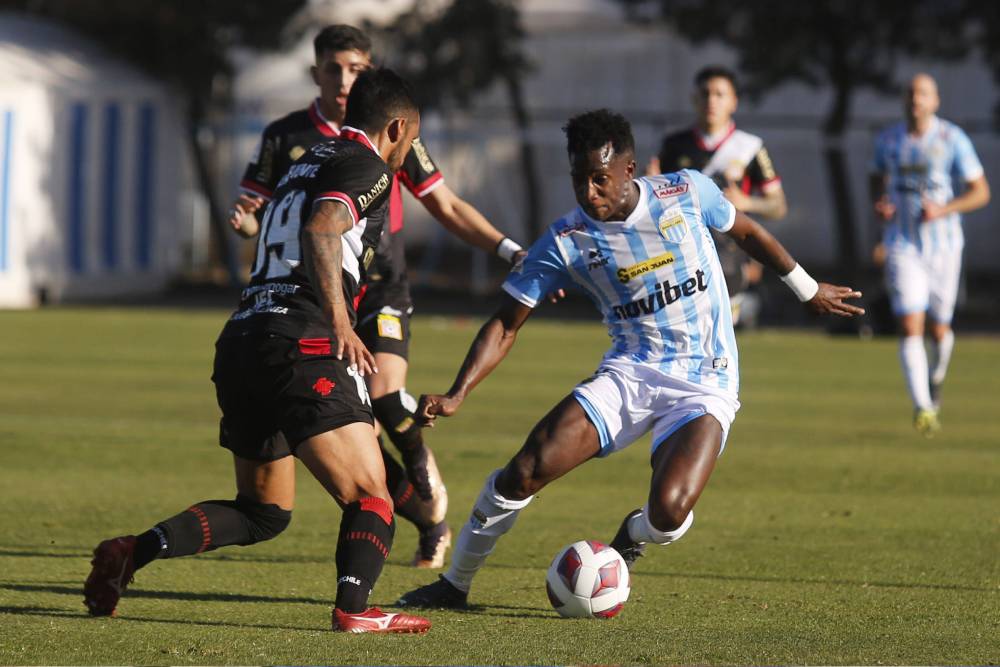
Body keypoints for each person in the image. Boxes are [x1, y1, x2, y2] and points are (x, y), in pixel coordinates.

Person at [395, 109, 863, 609]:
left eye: (600, 179)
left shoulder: (685, 193)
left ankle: (633, 536)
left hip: (705, 379)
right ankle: (454, 584)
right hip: (629, 373)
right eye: (579, 180)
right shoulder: (566, 240)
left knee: (669, 513)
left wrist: (807, 289)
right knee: (526, 468)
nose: (589, 193)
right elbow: (506, 323)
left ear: (629, 169)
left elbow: (747, 232)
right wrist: (458, 392)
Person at [84, 68, 432, 634]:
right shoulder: (367, 166)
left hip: (245, 338)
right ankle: (356, 609)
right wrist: (341, 322)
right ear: (396, 128)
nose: (409, 152)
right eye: (411, 139)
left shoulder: (305, 162)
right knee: (372, 494)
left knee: (262, 512)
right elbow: (322, 230)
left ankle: (134, 551)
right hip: (303, 339)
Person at [229, 25, 529, 568]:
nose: (345, 79)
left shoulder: (392, 129)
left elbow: (449, 206)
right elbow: (261, 218)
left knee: (386, 395)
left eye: (356, 70)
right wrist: (246, 225)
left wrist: (509, 250)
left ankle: (421, 470)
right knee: (355, 425)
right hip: (311, 292)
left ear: (368, 74)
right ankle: (427, 519)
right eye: (334, 68)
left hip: (378, 282)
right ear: (316, 71)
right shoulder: (286, 136)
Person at [870, 73, 990, 437]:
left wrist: (945, 208)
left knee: (939, 329)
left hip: (944, 248)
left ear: (935, 101)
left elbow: (980, 192)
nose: (915, 99)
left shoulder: (951, 139)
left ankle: (936, 376)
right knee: (910, 325)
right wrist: (880, 203)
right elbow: (876, 178)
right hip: (902, 244)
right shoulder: (888, 140)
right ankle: (923, 407)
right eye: (910, 93)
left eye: (923, 94)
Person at [648, 66, 787, 328]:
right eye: (705, 93)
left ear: (733, 102)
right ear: (695, 99)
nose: (711, 100)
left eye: (720, 94)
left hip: (729, 259)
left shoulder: (750, 147)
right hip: (680, 256)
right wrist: (648, 184)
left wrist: (746, 202)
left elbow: (778, 206)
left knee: (715, 335)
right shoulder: (674, 145)